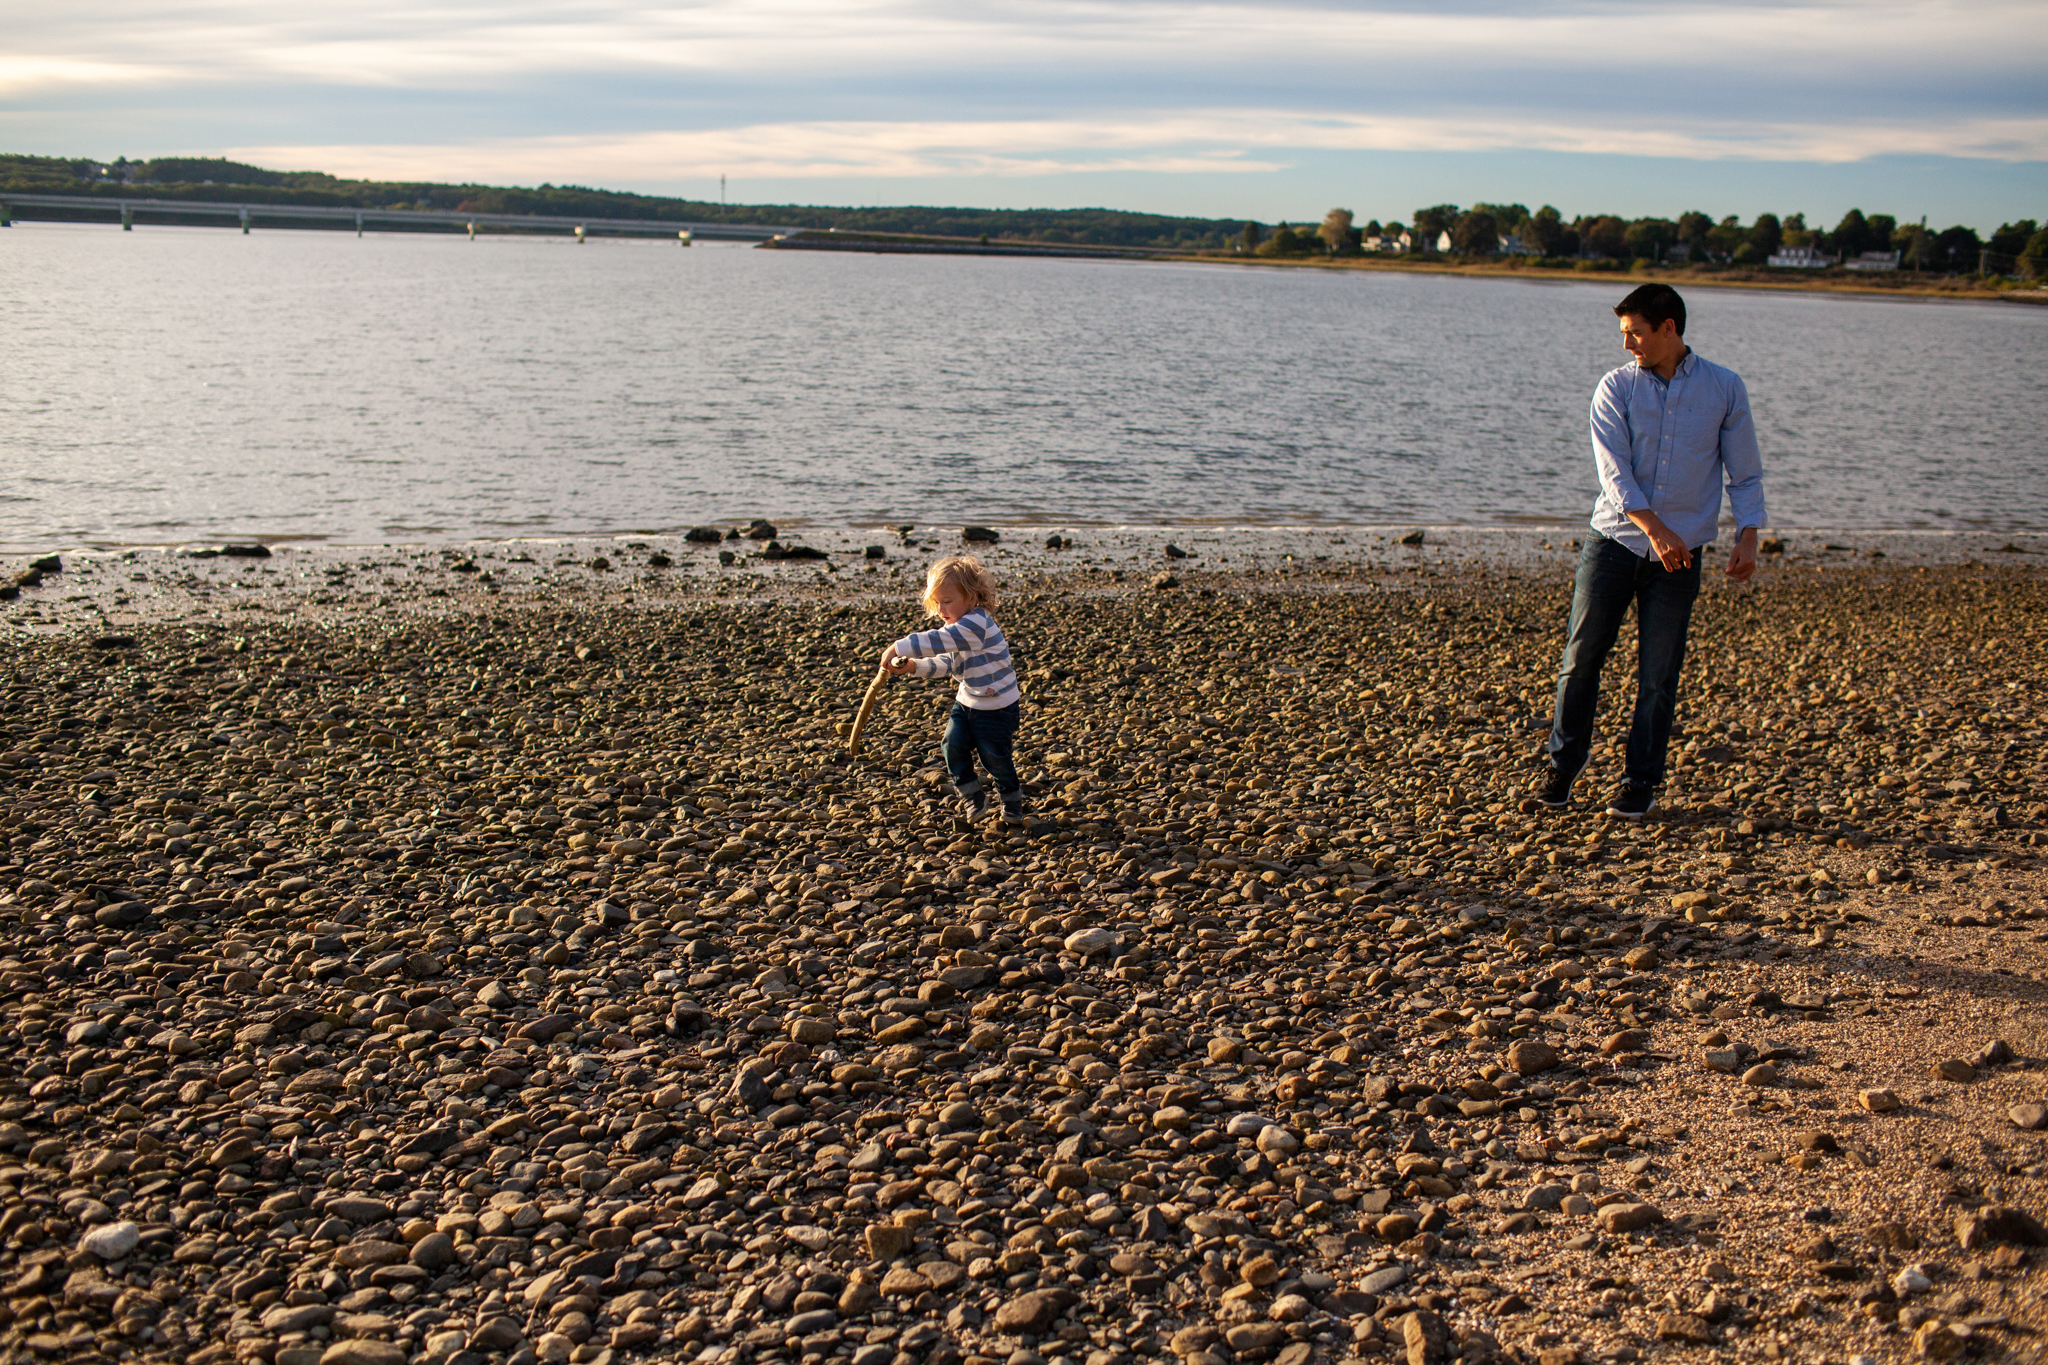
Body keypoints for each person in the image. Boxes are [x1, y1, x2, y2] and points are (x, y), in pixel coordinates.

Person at [1537, 283, 1766, 820]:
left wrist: (1749, 532)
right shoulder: (1615, 388)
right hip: (1612, 542)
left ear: (1668, 328)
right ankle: (1561, 770)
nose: (1626, 345)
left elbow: (1746, 472)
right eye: (1624, 334)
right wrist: (1653, 527)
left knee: (1659, 677)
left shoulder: (1725, 388)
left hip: (1681, 556)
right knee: (1579, 661)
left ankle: (1639, 783)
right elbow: (1612, 471)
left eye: (1634, 333)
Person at [881, 555, 1026, 822]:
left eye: (947, 601)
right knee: (952, 745)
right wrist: (914, 666)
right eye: (936, 603)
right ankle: (973, 796)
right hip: (968, 700)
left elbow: (940, 640)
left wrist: (898, 646)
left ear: (972, 598)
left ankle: (1012, 800)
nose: (941, 609)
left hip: (997, 707)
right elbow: (946, 662)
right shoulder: (956, 627)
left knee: (994, 756)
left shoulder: (977, 623)